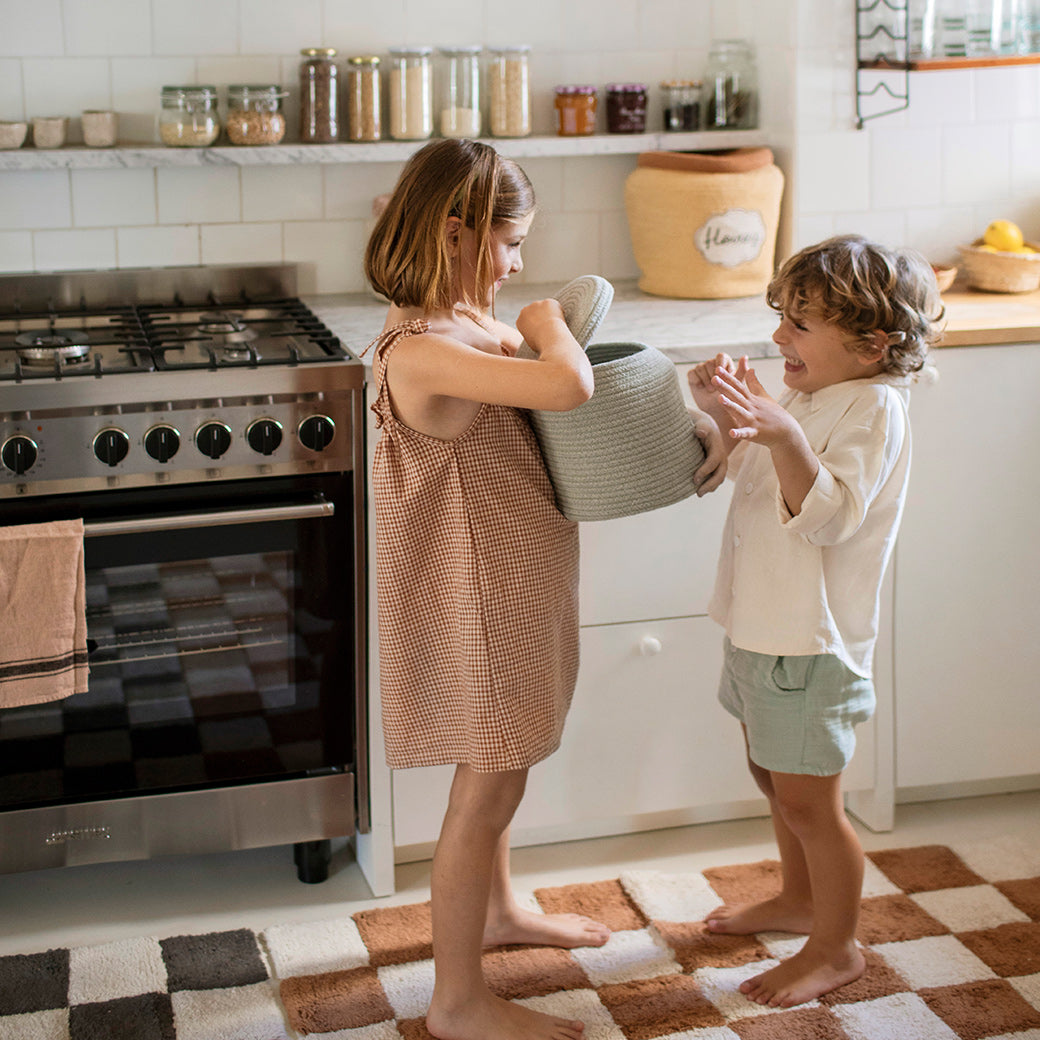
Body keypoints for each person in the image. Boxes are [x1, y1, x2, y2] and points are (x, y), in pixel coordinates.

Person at [363, 137, 606, 1040]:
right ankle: (457, 1002)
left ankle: (497, 912)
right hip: (476, 605)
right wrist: (549, 321)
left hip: (516, 585)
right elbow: (566, 385)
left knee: (508, 765)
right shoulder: (421, 348)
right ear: (456, 234)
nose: (515, 264)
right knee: (489, 784)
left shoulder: (465, 331)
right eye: (509, 243)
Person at [687, 235, 943, 1009]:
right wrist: (725, 419)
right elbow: (742, 475)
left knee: (810, 804)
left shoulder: (872, 407)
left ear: (871, 342)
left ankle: (837, 947)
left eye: (798, 325)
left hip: (810, 641)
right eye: (783, 319)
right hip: (762, 627)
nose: (777, 339)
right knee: (774, 778)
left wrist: (784, 432)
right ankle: (799, 902)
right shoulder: (814, 395)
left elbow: (828, 517)